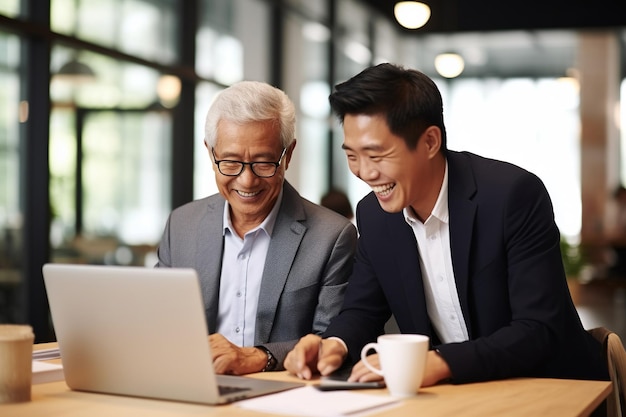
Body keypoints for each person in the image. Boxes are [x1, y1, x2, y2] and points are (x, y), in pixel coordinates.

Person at [284, 63, 608, 388]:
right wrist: (333, 344)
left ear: (429, 142)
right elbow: (363, 311)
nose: (365, 173)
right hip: (456, 396)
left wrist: (440, 362)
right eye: (352, 156)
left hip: (551, 386)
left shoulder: (512, 196)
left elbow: (539, 329)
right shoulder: (375, 214)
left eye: (377, 155)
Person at [156, 80, 357, 375]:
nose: (247, 181)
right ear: (211, 154)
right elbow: (158, 322)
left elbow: (331, 343)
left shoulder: (332, 237)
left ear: (287, 155)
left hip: (283, 393)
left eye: (264, 163)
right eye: (231, 162)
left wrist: (260, 357)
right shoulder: (182, 225)